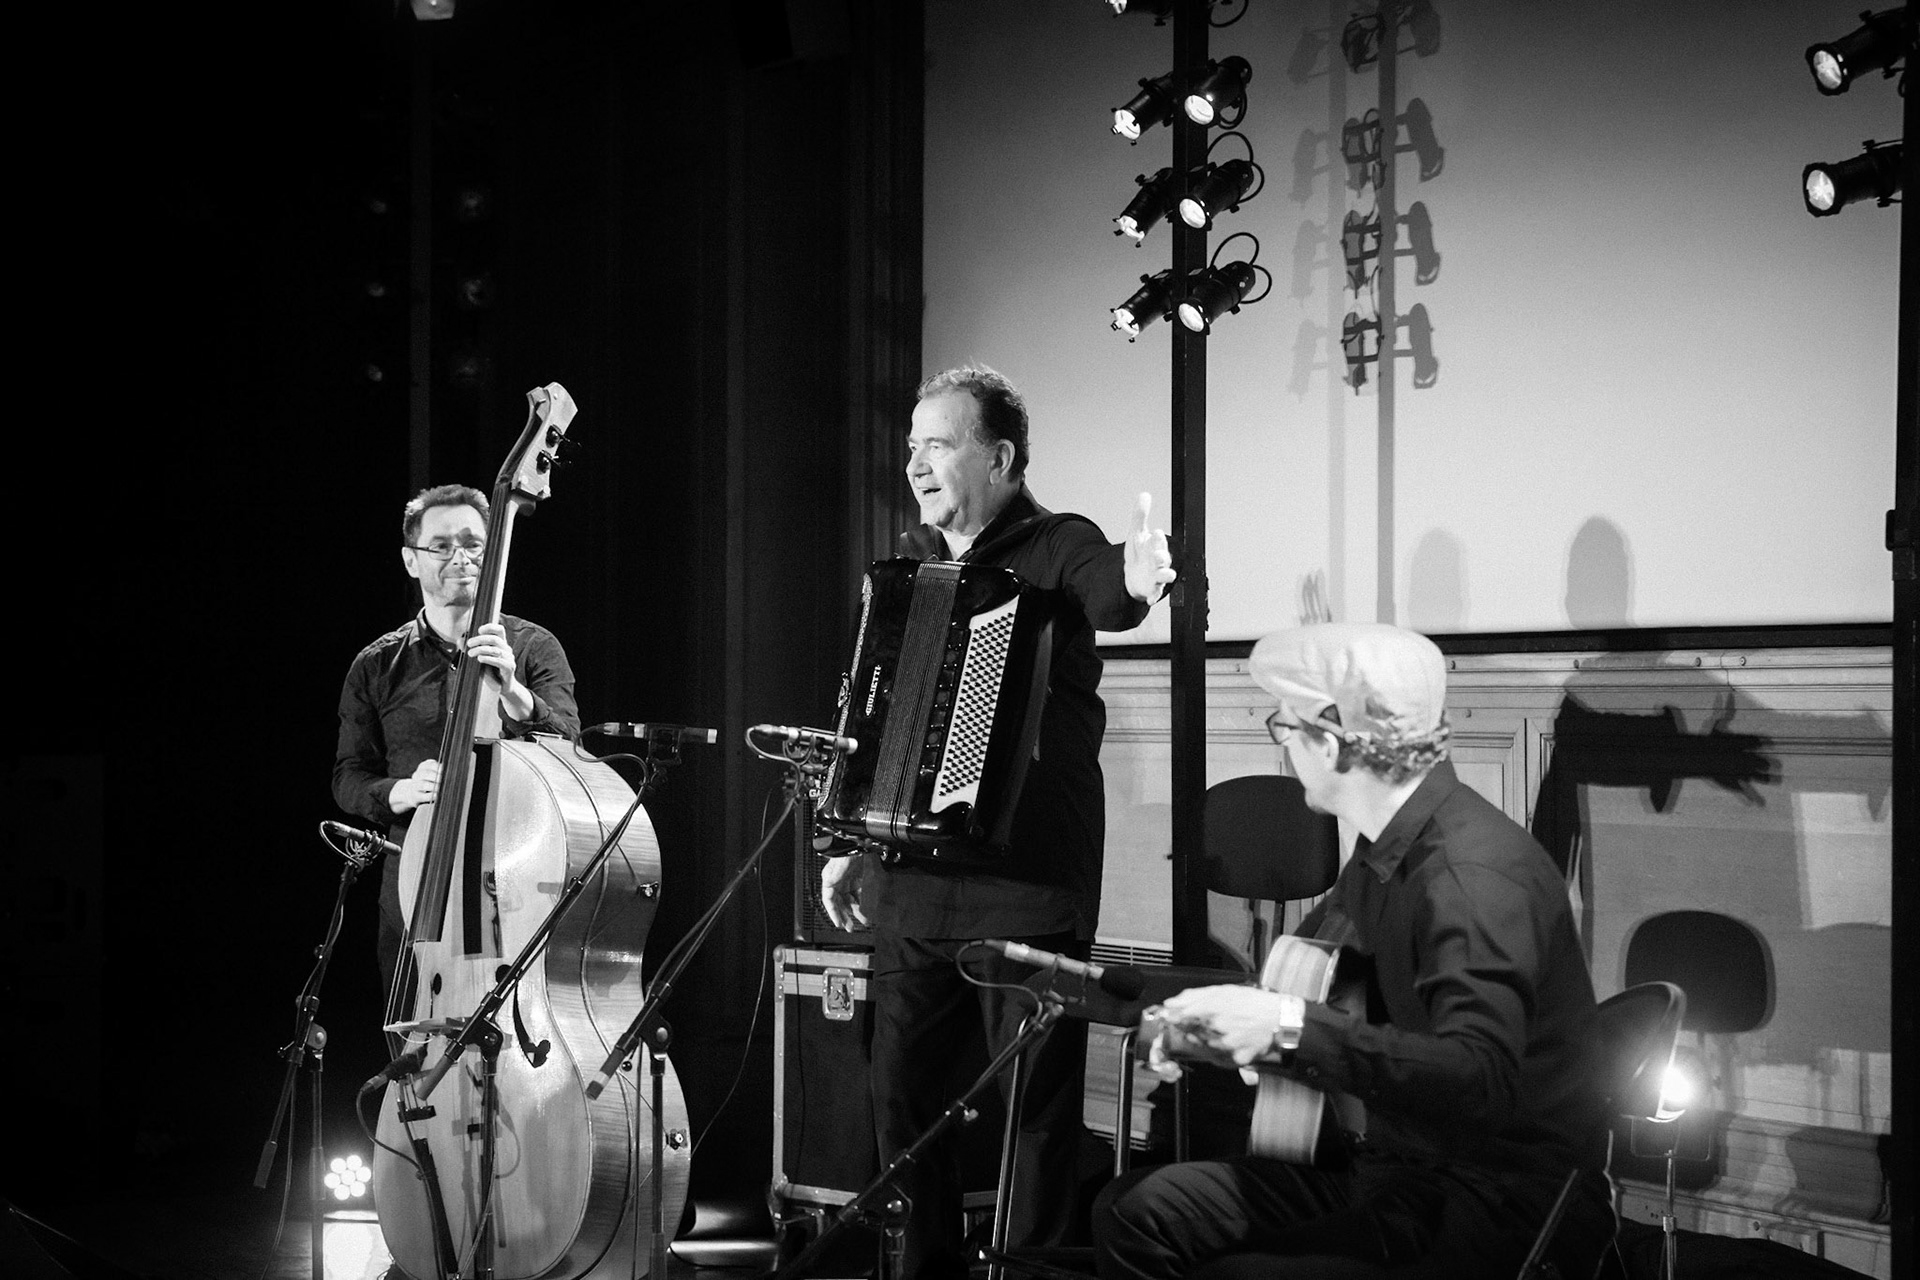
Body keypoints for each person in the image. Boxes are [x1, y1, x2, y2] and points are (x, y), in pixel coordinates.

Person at [1094, 622, 1612, 1279]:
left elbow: (1482, 1078)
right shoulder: (1383, 851)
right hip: (1389, 1164)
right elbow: (1326, 991)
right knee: (1137, 1211)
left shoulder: (1467, 875)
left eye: (1286, 726)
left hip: (1491, 1200)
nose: (1282, 745)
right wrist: (1212, 1026)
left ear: (1335, 739)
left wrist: (1285, 1030)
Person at [819, 365, 1176, 1280]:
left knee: (1036, 1120)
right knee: (901, 1111)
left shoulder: (1058, 544)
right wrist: (853, 846)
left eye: (937, 444)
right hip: (912, 889)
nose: (915, 463)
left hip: (1022, 897)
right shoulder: (915, 575)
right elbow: (876, 723)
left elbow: (1110, 592)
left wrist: (1137, 579)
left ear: (1001, 455)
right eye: (910, 446)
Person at [333, 483, 582, 994]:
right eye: (441, 546)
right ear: (411, 560)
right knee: (410, 1045)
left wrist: (513, 692)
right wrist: (399, 792)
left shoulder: (533, 647)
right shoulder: (376, 665)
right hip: (414, 888)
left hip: (516, 883)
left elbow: (573, 750)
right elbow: (348, 776)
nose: (460, 558)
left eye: (473, 544)